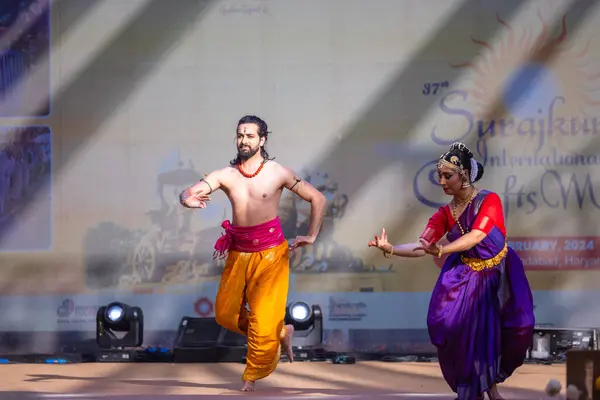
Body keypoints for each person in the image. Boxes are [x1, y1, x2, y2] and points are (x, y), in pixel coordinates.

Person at [368, 142, 534, 400]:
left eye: (448, 176)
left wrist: (443, 250)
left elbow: (477, 235)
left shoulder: (489, 201)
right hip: (469, 277)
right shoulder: (445, 213)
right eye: (440, 176)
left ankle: (491, 384)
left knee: (519, 327)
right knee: (465, 332)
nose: (442, 181)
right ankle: (481, 389)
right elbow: (422, 246)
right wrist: (391, 248)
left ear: (464, 176)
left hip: (501, 275)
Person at [179, 115, 326, 391]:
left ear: (262, 139)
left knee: (261, 317)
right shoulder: (225, 174)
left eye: (249, 136)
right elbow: (190, 190)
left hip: (271, 254)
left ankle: (251, 376)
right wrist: (187, 198)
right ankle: (280, 332)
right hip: (239, 252)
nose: (243, 140)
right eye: (239, 135)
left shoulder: (278, 172)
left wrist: (312, 235)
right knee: (225, 315)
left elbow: (317, 198)